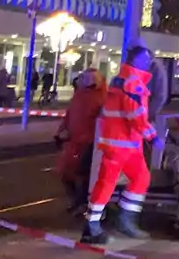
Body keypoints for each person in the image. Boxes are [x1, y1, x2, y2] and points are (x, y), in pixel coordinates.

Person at [82, 43, 158, 245]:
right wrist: (153, 137)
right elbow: (136, 115)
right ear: (140, 61)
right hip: (121, 145)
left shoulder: (122, 80)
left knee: (140, 178)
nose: (150, 64)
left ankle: (123, 220)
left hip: (124, 144)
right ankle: (93, 226)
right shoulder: (133, 83)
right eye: (148, 60)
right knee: (108, 183)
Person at [55, 68, 106, 213]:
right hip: (74, 142)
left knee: (83, 175)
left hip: (90, 144)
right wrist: (59, 132)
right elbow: (69, 116)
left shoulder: (102, 98)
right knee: (66, 173)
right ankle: (77, 201)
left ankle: (82, 203)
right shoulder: (79, 96)